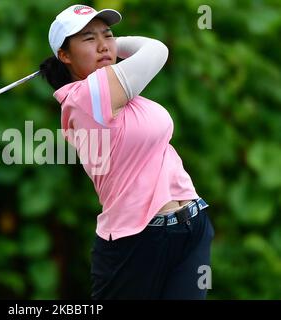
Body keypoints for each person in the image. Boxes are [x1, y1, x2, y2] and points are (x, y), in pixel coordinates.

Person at [39, 5, 215, 299]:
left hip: (191, 225)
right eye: (87, 39)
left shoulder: (124, 96)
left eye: (107, 34)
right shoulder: (85, 97)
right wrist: (113, 47)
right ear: (65, 56)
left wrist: (106, 46)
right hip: (137, 242)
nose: (103, 45)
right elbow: (156, 50)